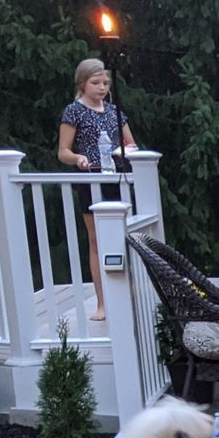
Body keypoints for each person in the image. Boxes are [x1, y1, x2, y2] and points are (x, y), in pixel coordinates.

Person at [57, 57, 136, 320]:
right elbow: (63, 152)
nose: (101, 87)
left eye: (105, 82)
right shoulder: (74, 111)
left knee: (126, 237)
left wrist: (125, 152)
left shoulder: (115, 112)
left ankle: (129, 297)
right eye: (95, 82)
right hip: (90, 179)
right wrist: (77, 158)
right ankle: (102, 303)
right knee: (97, 241)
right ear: (82, 83)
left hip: (118, 179)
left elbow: (131, 144)